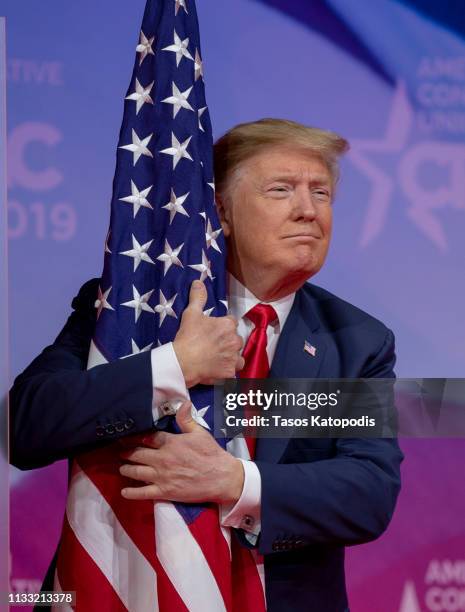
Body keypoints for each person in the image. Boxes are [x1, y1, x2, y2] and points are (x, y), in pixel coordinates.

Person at [10, 118, 403, 612]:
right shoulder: (129, 310)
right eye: (281, 190)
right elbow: (25, 425)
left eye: (321, 193)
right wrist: (171, 365)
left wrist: (235, 483)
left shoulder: (355, 341)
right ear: (221, 210)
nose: (308, 211)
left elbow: (368, 492)